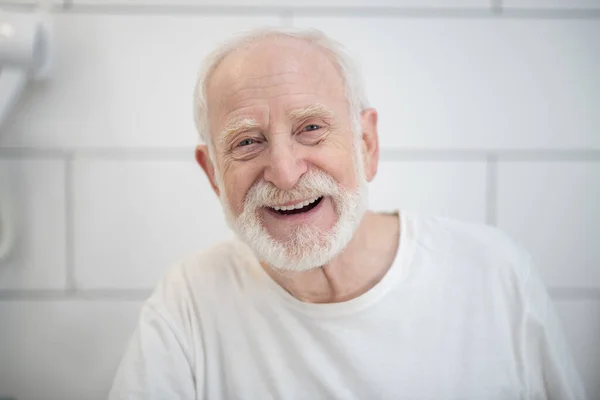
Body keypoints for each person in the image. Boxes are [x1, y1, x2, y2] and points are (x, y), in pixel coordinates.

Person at [109, 28, 586, 400]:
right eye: (246, 142)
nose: (286, 173)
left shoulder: (494, 275)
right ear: (213, 173)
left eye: (311, 128)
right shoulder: (190, 299)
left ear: (367, 144)